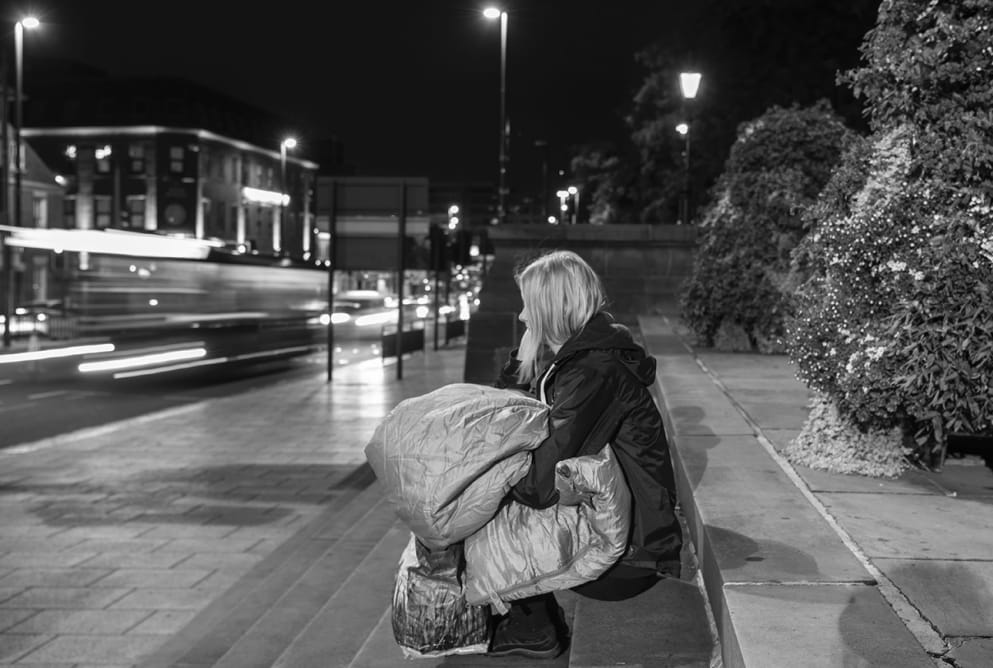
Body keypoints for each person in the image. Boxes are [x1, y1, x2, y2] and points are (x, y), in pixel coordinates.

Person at [488, 249, 683, 659]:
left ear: (551, 308)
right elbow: (517, 414)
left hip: (630, 559)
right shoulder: (586, 358)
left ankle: (532, 623)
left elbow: (541, 485)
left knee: (484, 502)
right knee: (490, 485)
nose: (523, 317)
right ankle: (530, 619)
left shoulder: (592, 371)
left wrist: (487, 477)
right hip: (626, 533)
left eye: (528, 307)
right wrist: (521, 361)